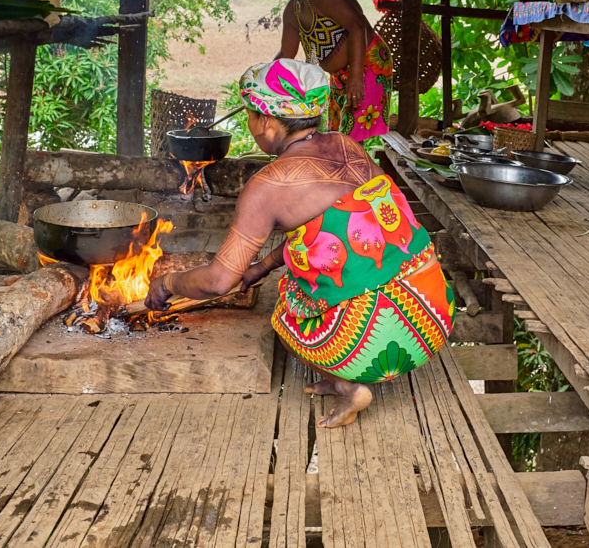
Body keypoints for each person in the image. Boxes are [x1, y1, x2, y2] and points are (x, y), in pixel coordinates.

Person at [144, 59, 455, 428]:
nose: (250, 125)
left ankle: (347, 384)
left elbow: (218, 282)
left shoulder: (268, 185)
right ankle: (343, 364)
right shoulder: (347, 144)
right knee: (298, 270)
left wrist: (166, 284)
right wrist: (263, 264)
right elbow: (336, 229)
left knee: (289, 299)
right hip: (432, 315)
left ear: (267, 120)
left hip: (375, 340)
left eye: (250, 115)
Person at [267, 0, 393, 142]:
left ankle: (355, 172)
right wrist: (263, 79)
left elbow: (357, 26)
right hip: (341, 74)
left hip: (367, 64)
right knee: (337, 136)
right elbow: (287, 53)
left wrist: (355, 76)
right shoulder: (292, 10)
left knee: (348, 140)